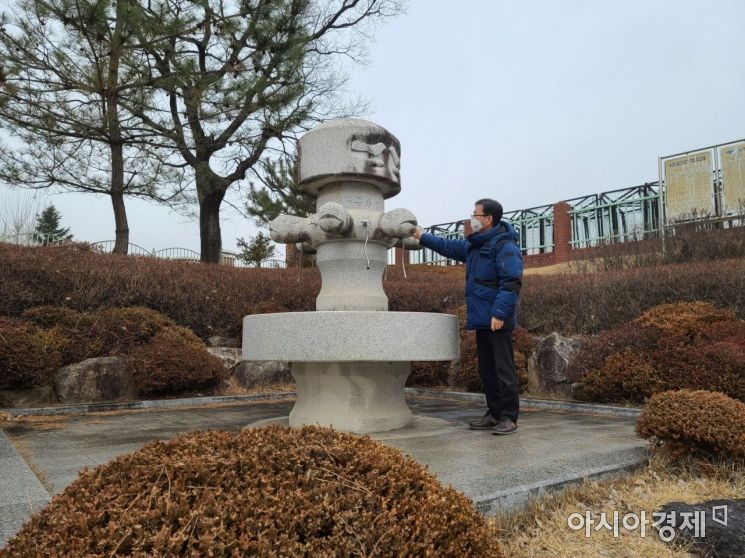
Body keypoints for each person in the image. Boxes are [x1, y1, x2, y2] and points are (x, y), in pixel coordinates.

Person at [413, 199, 523, 435]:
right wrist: (421, 236)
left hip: (497, 319)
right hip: (482, 318)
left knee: (503, 369)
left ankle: (508, 417)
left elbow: (511, 282)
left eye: (476, 214)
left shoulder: (505, 245)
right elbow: (448, 247)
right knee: (487, 370)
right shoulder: (475, 244)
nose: (471, 218)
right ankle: (494, 413)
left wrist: (499, 313)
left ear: (488, 219)